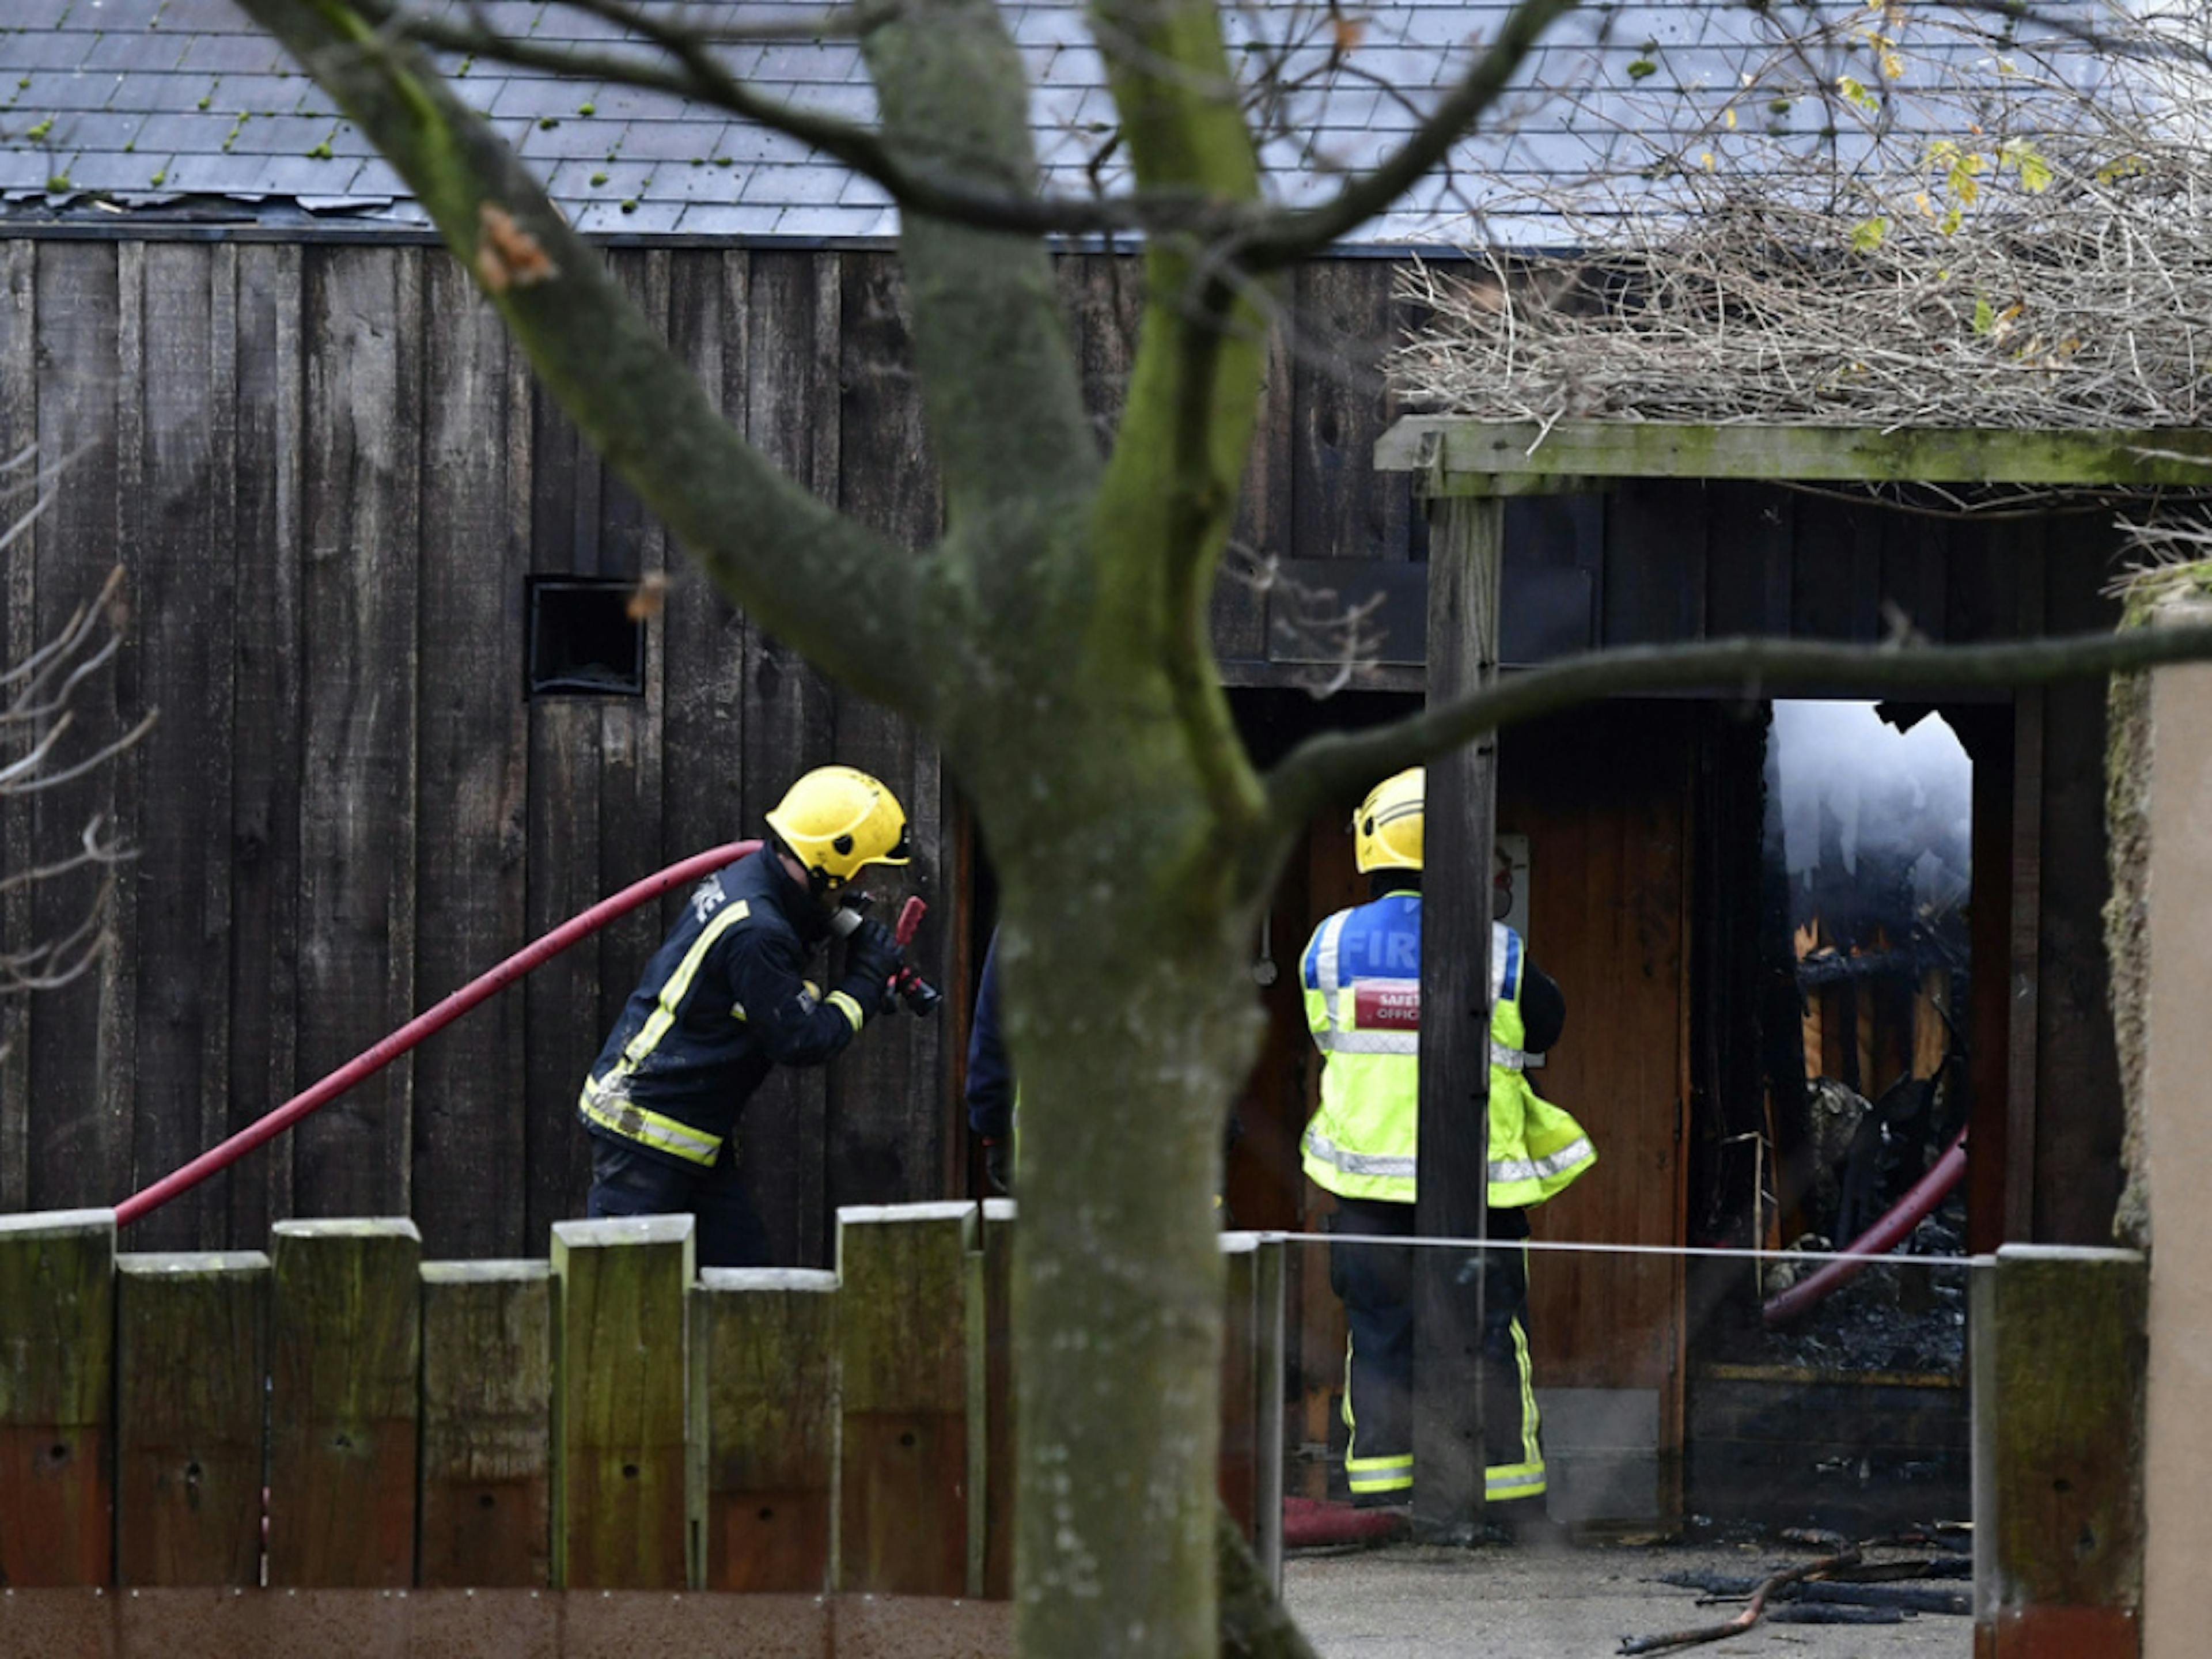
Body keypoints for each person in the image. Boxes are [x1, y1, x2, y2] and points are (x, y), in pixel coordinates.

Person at [1298, 765, 1596, 1529]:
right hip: (1476, 1201)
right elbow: (1549, 1022)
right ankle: (1513, 1501)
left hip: (1365, 1199)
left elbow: (1322, 1033)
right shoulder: (1499, 953)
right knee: (1494, 1341)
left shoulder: (1326, 946)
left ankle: (1380, 1503)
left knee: (1378, 1339)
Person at [577, 764, 912, 1266]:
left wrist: (829, 918)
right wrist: (865, 982)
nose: (862, 880)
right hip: (647, 1135)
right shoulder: (758, 932)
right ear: (828, 861)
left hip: (688, 1137)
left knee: (748, 1293)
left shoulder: (756, 881)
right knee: (621, 1299)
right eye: (860, 868)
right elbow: (804, 1039)